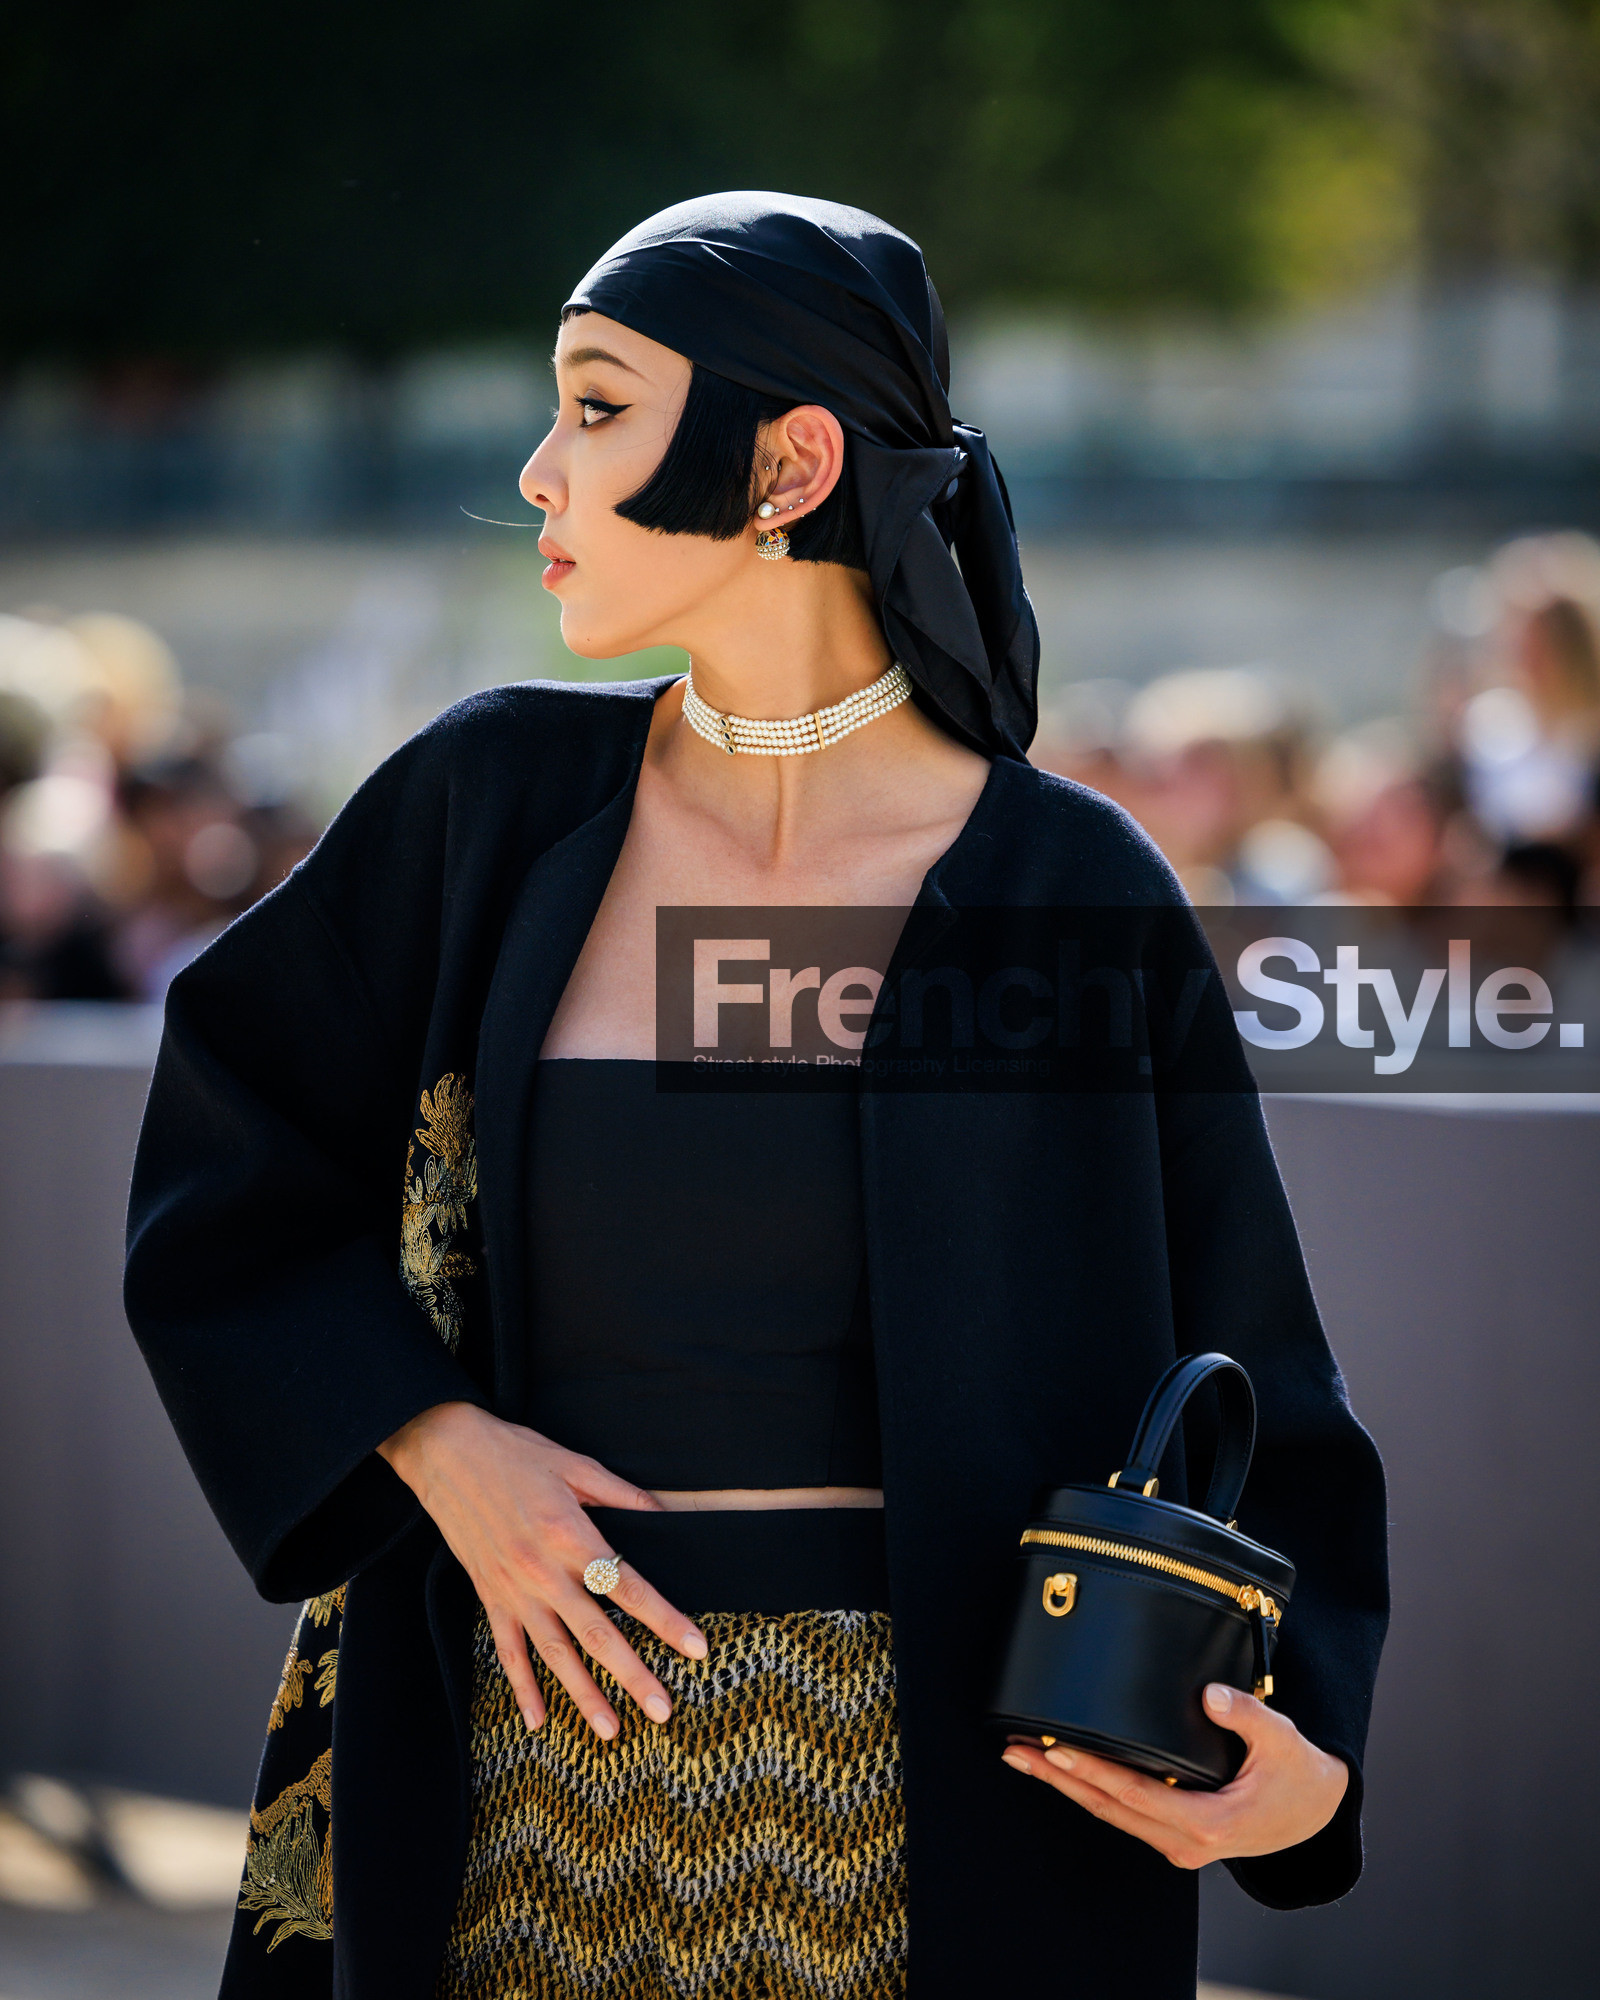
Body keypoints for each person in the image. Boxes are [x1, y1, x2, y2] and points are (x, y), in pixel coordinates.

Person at [123, 193, 1387, 2000]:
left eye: (599, 405)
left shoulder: (1067, 887)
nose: (540, 469)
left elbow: (1257, 1361)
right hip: (505, 1778)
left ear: (788, 462)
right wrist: (436, 1444)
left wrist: (1303, 1764)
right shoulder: (483, 808)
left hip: (956, 1820)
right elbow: (224, 1177)